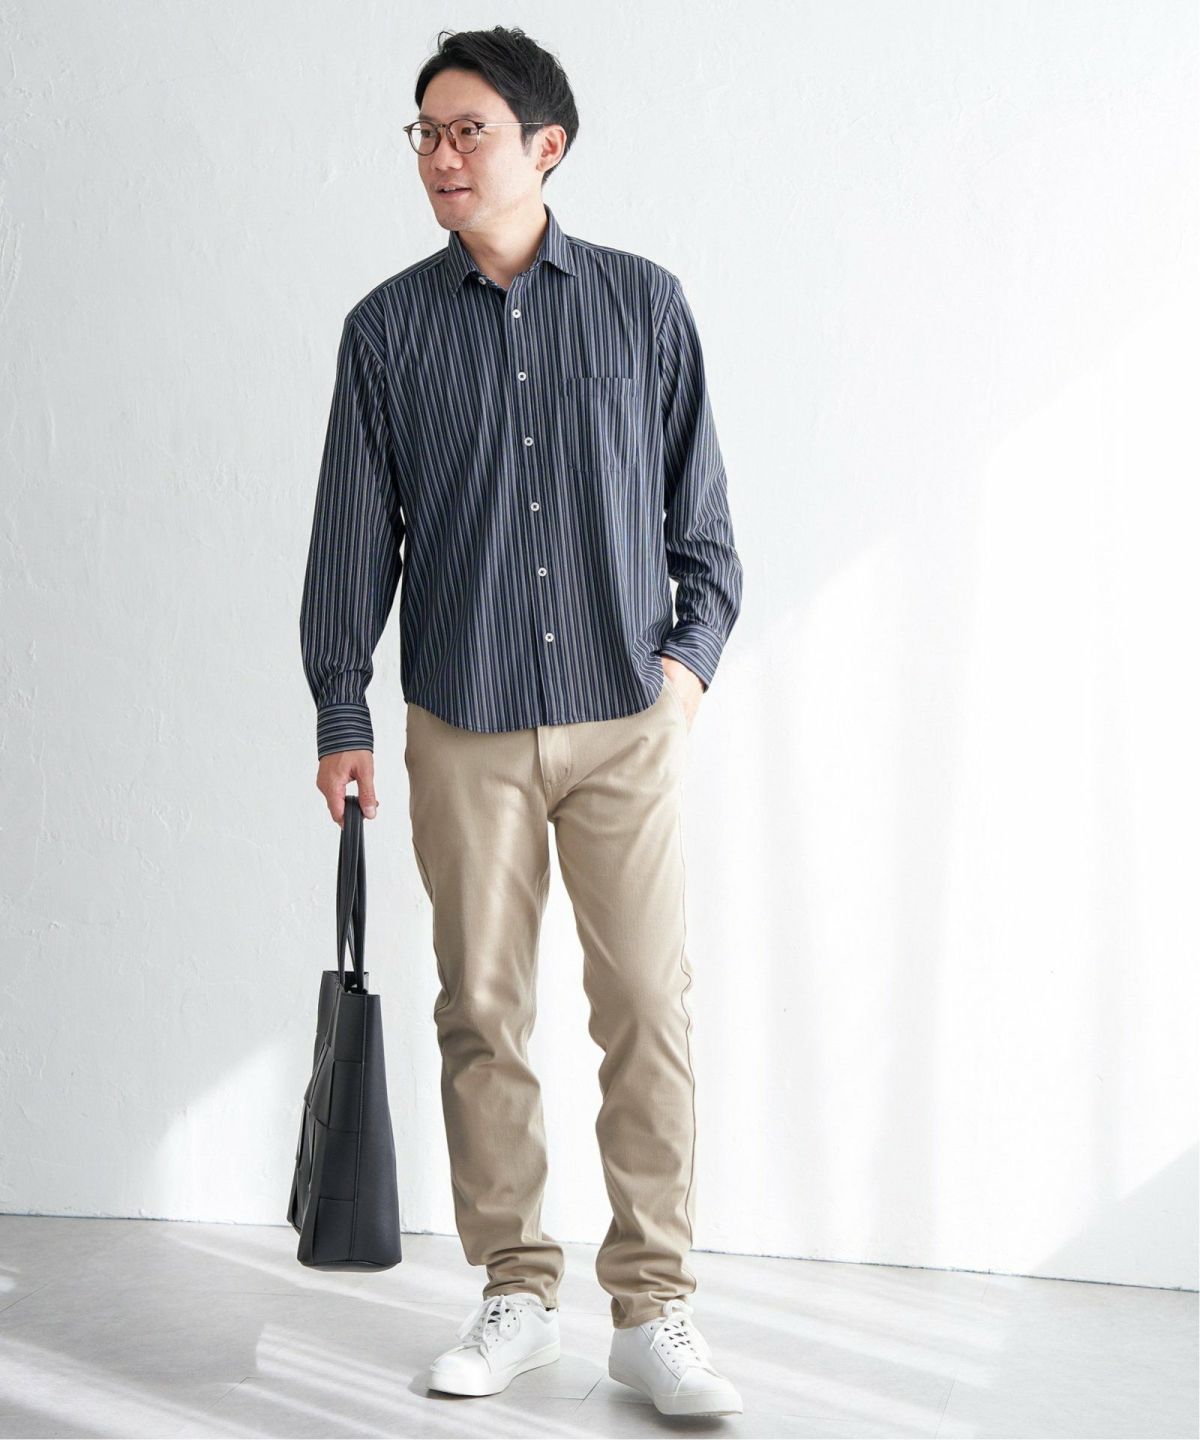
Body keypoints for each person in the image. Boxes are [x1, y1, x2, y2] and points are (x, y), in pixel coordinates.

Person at [299, 24, 744, 1419]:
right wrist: (342, 709)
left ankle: (654, 1311)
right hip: (464, 723)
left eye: (468, 130)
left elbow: (706, 528)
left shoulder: (643, 305)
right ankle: (516, 1291)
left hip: (623, 718)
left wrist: (682, 677)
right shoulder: (387, 330)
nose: (441, 155)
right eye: (426, 133)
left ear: (546, 147)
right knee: (482, 1010)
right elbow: (352, 539)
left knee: (647, 1009)